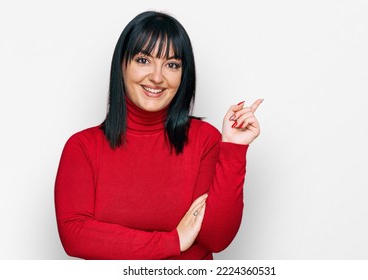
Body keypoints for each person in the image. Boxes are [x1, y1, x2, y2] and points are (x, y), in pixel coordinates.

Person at [54, 10, 262, 260]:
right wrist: (173, 241)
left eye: (172, 65)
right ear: (122, 65)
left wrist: (234, 150)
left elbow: (215, 238)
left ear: (184, 74)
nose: (157, 77)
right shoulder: (83, 147)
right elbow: (75, 236)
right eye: (143, 60)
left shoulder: (204, 139)